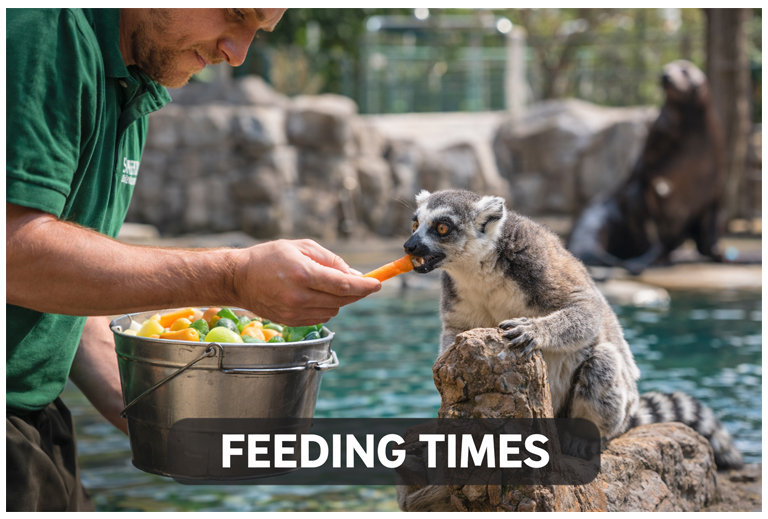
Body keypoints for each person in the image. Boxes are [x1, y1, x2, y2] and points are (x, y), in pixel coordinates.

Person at [6, 8, 381, 511]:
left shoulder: (133, 82)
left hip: (34, 418)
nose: (238, 53)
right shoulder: (41, 28)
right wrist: (231, 278)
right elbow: (15, 255)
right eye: (234, 14)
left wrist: (172, 417)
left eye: (259, 31)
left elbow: (62, 292)